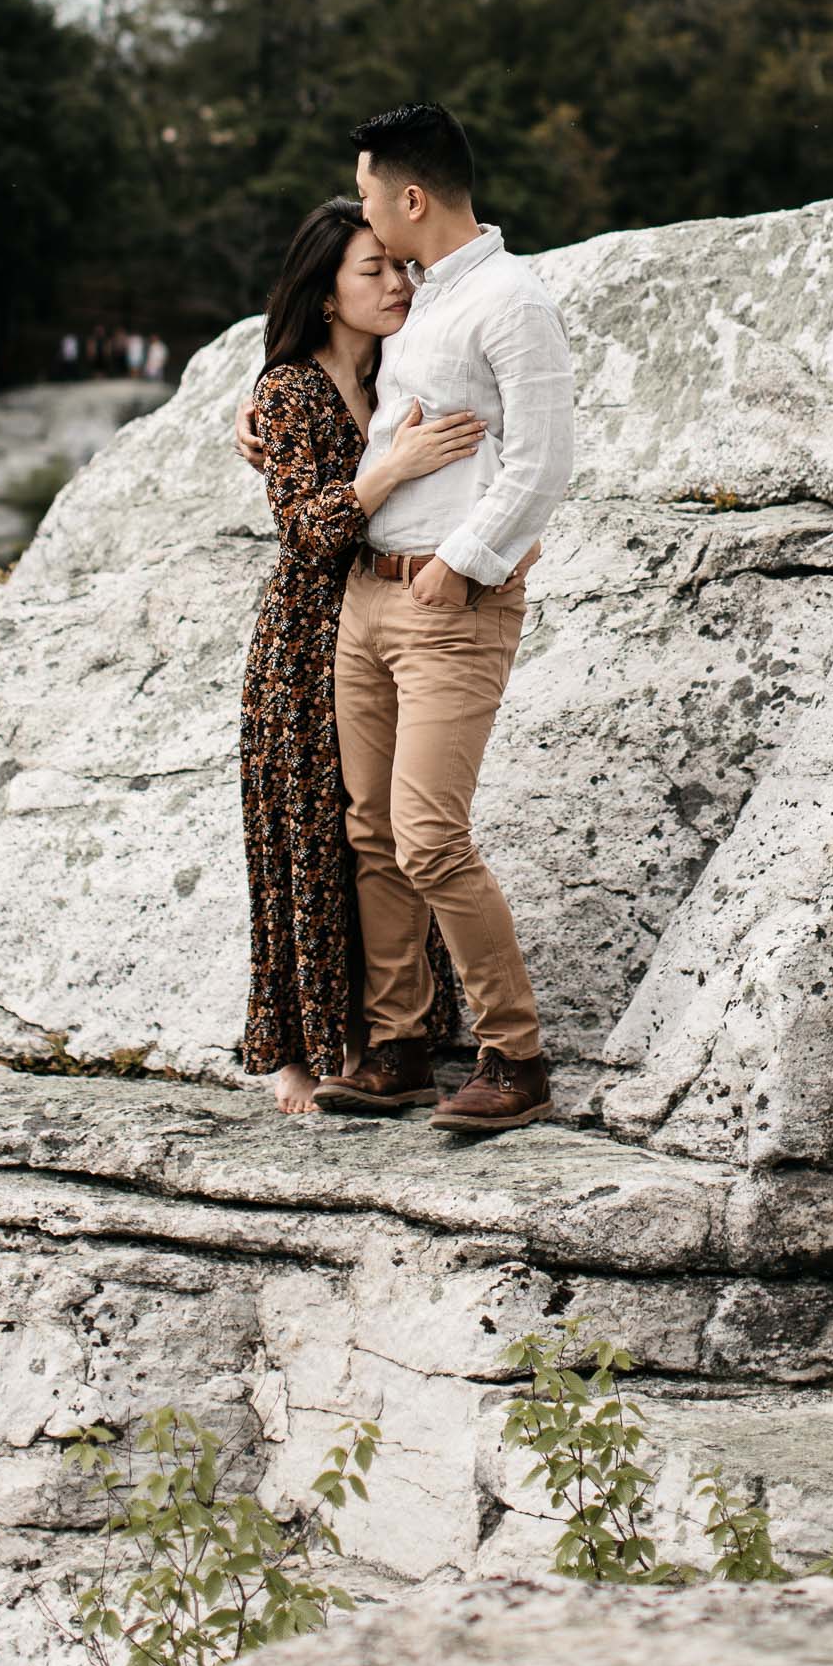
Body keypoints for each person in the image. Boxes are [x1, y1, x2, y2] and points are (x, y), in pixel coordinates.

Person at [239, 102, 575, 1138]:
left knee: (430, 837)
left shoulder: (509, 302)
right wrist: (256, 412)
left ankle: (513, 1054)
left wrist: (463, 566)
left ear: (411, 198)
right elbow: (325, 370)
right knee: (372, 833)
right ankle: (395, 1045)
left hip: (444, 599)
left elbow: (543, 461)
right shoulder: (423, 301)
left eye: (373, 192)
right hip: (362, 601)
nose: (370, 217)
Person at [241, 197, 483, 1113]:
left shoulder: (399, 373)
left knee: (387, 835)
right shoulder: (289, 391)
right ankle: (298, 1052)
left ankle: (398, 1032)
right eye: (371, 271)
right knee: (306, 846)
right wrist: (386, 471)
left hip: (388, 627)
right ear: (326, 293)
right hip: (303, 646)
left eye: (399, 267)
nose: (396, 283)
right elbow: (306, 533)